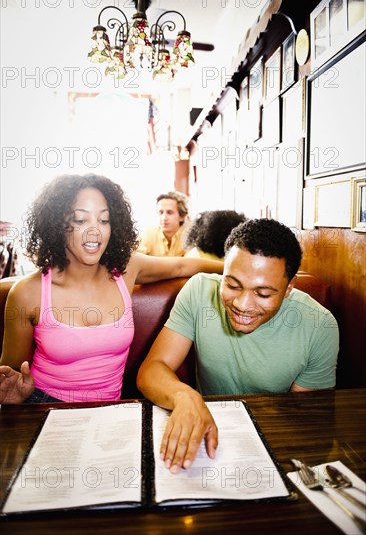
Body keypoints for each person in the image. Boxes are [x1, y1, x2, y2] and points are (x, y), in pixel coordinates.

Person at [0, 174, 224, 405]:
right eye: (80, 220)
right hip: (43, 405)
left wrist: (236, 271)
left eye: (104, 220)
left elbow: (183, 265)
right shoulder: (27, 293)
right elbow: (13, 373)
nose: (95, 231)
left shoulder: (126, 269)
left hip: (110, 412)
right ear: (57, 226)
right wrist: (14, 394)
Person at [137, 218, 339, 473]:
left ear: (289, 288)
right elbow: (152, 370)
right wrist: (184, 396)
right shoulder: (198, 291)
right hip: (205, 441)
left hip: (273, 447)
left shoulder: (319, 325)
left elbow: (308, 421)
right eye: (232, 285)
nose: (242, 305)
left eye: (263, 293)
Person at [137, 191, 189, 257]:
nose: (164, 218)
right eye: (161, 212)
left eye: (170, 212)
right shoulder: (149, 233)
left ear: (182, 216)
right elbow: (135, 259)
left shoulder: (190, 234)